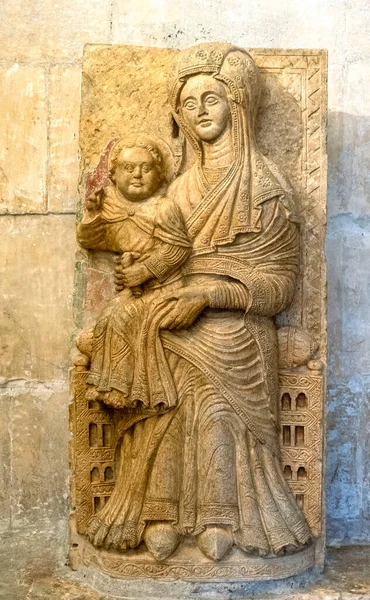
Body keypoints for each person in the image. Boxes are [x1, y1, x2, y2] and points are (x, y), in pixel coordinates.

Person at [87, 43, 312, 562]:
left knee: (208, 386)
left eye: (211, 98)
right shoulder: (179, 190)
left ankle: (222, 513)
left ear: (236, 102)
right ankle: (157, 509)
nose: (201, 111)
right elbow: (163, 256)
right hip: (175, 312)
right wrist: (140, 272)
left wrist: (210, 295)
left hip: (237, 324)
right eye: (188, 104)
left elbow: (281, 287)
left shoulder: (269, 190)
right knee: (151, 352)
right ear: (179, 117)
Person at [77, 135, 191, 410]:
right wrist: (93, 214)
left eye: (146, 168)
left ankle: (127, 389)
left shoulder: (164, 209)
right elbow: (93, 241)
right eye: (129, 169)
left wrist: (144, 270)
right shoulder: (112, 209)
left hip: (166, 287)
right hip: (134, 288)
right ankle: (108, 384)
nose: (137, 175)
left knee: (123, 317)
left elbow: (179, 250)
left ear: (160, 175)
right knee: (108, 318)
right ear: (113, 176)